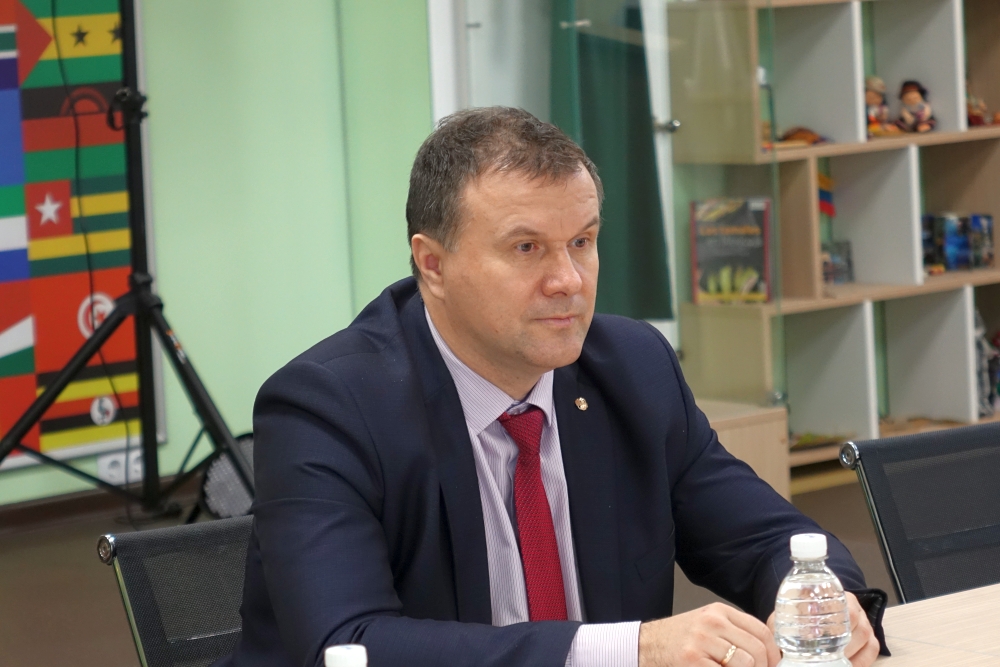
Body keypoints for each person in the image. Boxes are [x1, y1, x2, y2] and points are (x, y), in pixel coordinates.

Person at [220, 107, 887, 667]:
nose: (568, 279)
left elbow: (769, 539)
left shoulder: (632, 368)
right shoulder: (328, 407)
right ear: (433, 264)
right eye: (526, 248)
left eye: (583, 242)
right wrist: (631, 649)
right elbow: (347, 645)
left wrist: (824, 600)